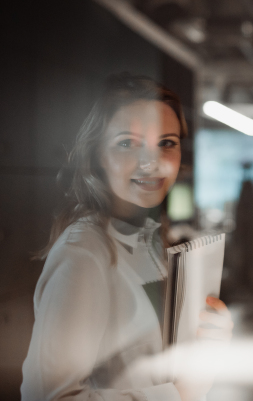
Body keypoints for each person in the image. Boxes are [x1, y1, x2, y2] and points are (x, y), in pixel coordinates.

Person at [22, 73, 232, 401]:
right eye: (127, 143)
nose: (152, 162)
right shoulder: (84, 252)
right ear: (97, 157)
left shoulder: (150, 239)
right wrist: (178, 393)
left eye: (167, 143)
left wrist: (207, 340)